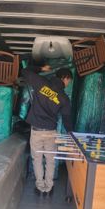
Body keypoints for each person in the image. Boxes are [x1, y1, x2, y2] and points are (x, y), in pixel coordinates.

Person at [21, 63, 73, 196]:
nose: (68, 84)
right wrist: (71, 134)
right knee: (50, 160)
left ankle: (39, 186)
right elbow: (67, 119)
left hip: (36, 131)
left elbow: (25, 71)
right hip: (50, 132)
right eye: (69, 81)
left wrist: (40, 68)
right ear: (65, 78)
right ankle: (48, 187)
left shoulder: (41, 82)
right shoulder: (64, 98)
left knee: (37, 159)